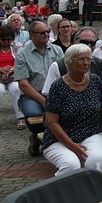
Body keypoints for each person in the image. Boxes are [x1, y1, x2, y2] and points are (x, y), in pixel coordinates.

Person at [42, 44, 102, 176]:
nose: (86, 63)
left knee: (96, 160)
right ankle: (64, 189)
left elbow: (100, 109)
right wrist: (72, 146)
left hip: (91, 132)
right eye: (81, 59)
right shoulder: (57, 87)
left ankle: (97, 189)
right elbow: (51, 122)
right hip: (60, 138)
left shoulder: (95, 81)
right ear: (69, 62)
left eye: (89, 59)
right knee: (71, 165)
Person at [14, 20, 64, 155]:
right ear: (31, 35)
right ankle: (37, 136)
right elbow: (23, 84)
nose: (46, 34)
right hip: (32, 94)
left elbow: (64, 75)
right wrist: (43, 101)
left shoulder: (57, 50)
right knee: (33, 114)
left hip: (56, 93)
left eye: (48, 31)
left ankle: (50, 138)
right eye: (42, 33)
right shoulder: (22, 54)